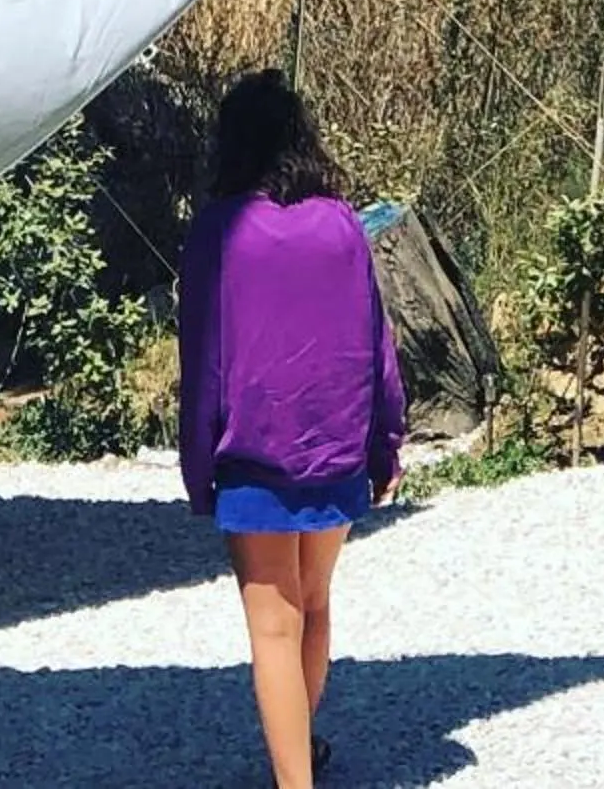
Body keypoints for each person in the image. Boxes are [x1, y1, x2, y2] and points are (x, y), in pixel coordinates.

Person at [178, 71, 407, 789]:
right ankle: (302, 750)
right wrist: (386, 441)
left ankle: (294, 779)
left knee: (273, 627)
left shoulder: (220, 231)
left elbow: (204, 359)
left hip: (254, 455)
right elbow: (376, 344)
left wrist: (197, 466)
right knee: (313, 603)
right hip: (336, 447)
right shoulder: (341, 223)